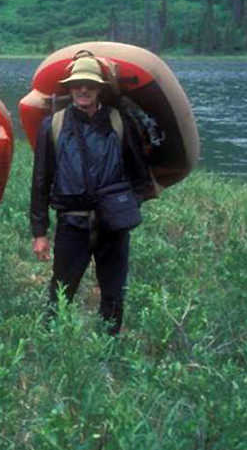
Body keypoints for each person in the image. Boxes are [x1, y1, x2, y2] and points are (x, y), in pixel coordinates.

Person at [29, 55, 152, 335]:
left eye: (90, 85)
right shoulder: (53, 125)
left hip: (114, 226)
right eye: (77, 85)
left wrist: (125, 206)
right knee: (61, 291)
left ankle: (109, 348)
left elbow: (139, 174)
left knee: (114, 292)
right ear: (70, 88)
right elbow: (40, 181)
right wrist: (39, 232)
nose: (83, 90)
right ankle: (52, 344)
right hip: (71, 223)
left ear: (100, 89)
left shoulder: (120, 122)